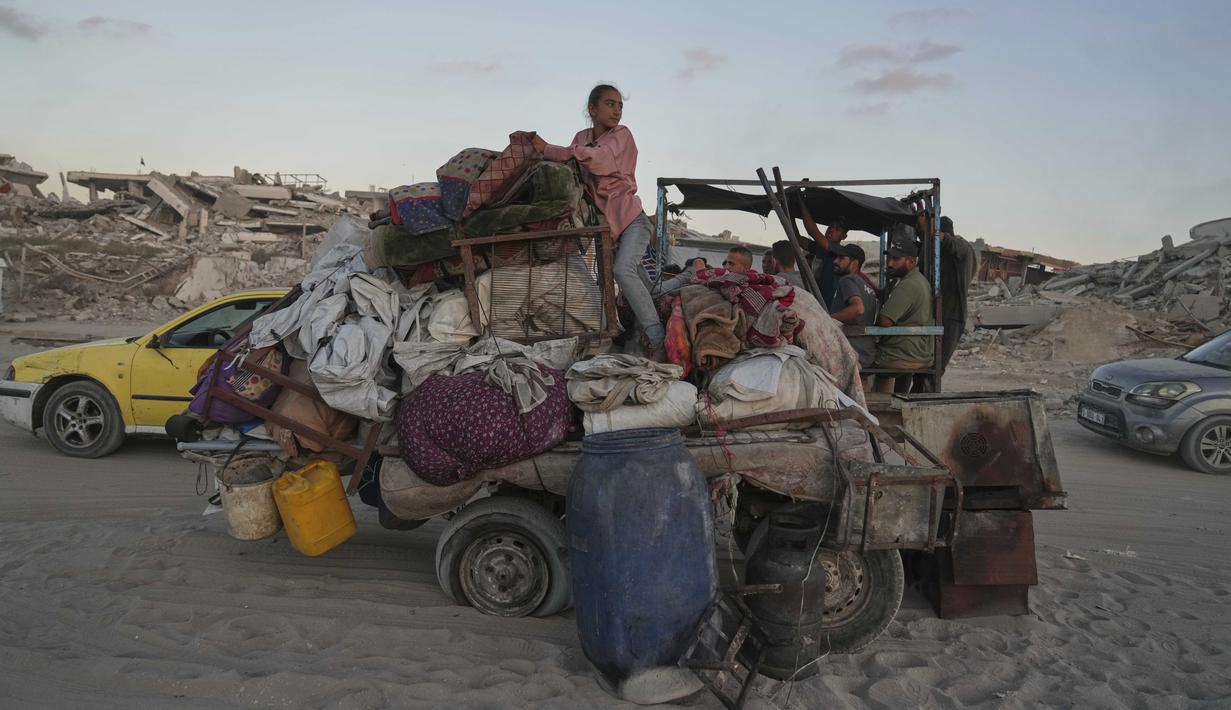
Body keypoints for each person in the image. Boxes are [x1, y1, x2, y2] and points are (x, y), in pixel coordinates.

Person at [533, 84, 664, 354]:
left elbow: (599, 160)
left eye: (619, 105)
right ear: (592, 109)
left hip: (631, 220)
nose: (616, 111)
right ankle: (616, 334)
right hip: (605, 227)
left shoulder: (621, 136)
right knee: (642, 287)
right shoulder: (581, 137)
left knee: (622, 271)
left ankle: (659, 338)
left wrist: (549, 148)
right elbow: (574, 170)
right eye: (610, 104)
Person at [870, 233, 934, 393]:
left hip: (902, 353)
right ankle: (881, 404)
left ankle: (862, 407)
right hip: (916, 350)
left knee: (857, 357)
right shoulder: (919, 280)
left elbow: (885, 321)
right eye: (889, 258)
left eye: (896, 259)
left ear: (912, 261)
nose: (890, 263)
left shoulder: (908, 285)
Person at [829, 244, 879, 368]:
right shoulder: (867, 287)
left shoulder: (847, 280)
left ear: (854, 264)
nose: (835, 261)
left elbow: (858, 309)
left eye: (841, 258)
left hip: (851, 353)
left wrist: (828, 320)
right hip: (866, 353)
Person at [937, 215, 977, 372]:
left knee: (936, 368)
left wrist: (936, 235)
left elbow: (949, 242)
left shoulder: (962, 247)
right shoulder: (948, 252)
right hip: (943, 313)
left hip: (952, 315)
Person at [796, 201, 849, 308]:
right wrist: (789, 213)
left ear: (843, 237)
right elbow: (797, 238)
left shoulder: (839, 250)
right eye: (830, 227)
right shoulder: (820, 248)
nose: (831, 230)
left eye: (837, 229)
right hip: (817, 303)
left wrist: (801, 201)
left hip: (829, 306)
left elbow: (812, 231)